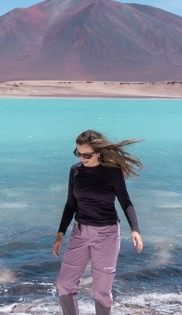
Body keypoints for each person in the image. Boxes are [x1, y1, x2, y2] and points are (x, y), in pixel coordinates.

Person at [52, 129, 144, 315]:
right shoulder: (75, 171)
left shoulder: (112, 172)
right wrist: (60, 233)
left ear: (99, 152)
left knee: (101, 290)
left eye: (87, 155)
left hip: (106, 235)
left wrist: (135, 229)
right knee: (64, 283)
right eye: (78, 153)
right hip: (79, 233)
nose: (82, 158)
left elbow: (125, 202)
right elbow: (71, 204)